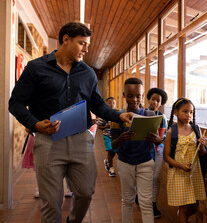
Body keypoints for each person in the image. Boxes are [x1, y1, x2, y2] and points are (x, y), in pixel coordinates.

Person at [8, 21, 133, 223]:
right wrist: (35, 124)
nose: (86, 50)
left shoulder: (88, 73)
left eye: (87, 45)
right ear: (66, 40)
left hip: (81, 140)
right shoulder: (36, 68)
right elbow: (15, 104)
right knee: (51, 201)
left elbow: (98, 104)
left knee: (85, 192)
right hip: (48, 142)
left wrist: (118, 115)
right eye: (82, 43)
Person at [111, 78, 160, 223]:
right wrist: (122, 138)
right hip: (125, 162)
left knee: (145, 201)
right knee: (127, 200)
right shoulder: (118, 117)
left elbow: (159, 141)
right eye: (130, 96)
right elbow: (113, 144)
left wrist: (156, 139)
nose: (134, 100)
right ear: (124, 95)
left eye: (138, 96)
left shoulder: (150, 115)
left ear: (143, 95)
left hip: (146, 162)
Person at [163, 98, 207, 223]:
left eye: (191, 112)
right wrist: (181, 166)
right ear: (176, 112)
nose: (189, 115)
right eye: (185, 111)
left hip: (194, 172)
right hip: (179, 172)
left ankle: (183, 217)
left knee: (194, 205)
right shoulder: (172, 131)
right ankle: (182, 217)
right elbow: (166, 156)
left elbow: (202, 154)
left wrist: (202, 146)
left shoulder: (196, 129)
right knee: (184, 206)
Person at [146, 88, 168, 218]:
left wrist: (161, 140)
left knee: (156, 177)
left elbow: (164, 135)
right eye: (153, 99)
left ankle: (153, 203)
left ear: (161, 104)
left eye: (158, 100)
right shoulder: (142, 114)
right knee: (143, 176)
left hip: (158, 151)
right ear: (148, 99)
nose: (155, 102)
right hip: (143, 151)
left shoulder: (162, 118)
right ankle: (141, 198)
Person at [97, 97, 117, 177]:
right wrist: (106, 126)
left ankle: (107, 162)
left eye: (113, 103)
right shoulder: (104, 115)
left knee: (113, 152)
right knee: (110, 151)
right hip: (107, 136)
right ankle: (111, 169)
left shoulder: (117, 114)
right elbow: (99, 126)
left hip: (115, 137)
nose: (112, 104)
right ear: (106, 104)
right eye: (110, 103)